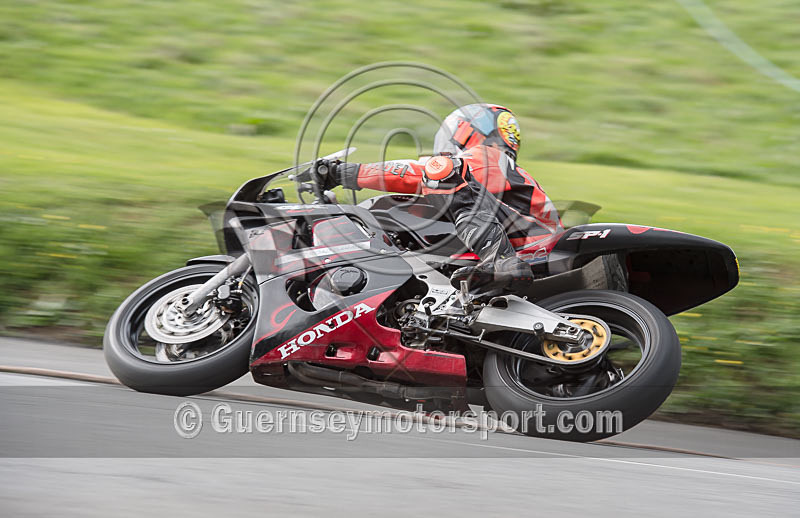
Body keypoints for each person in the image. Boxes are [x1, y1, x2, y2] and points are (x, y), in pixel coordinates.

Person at [310, 104, 561, 294]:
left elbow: (420, 173)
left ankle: (500, 260)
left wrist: (344, 172)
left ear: (464, 132)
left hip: (532, 246)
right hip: (529, 241)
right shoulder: (499, 171)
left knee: (442, 173)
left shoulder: (486, 156)